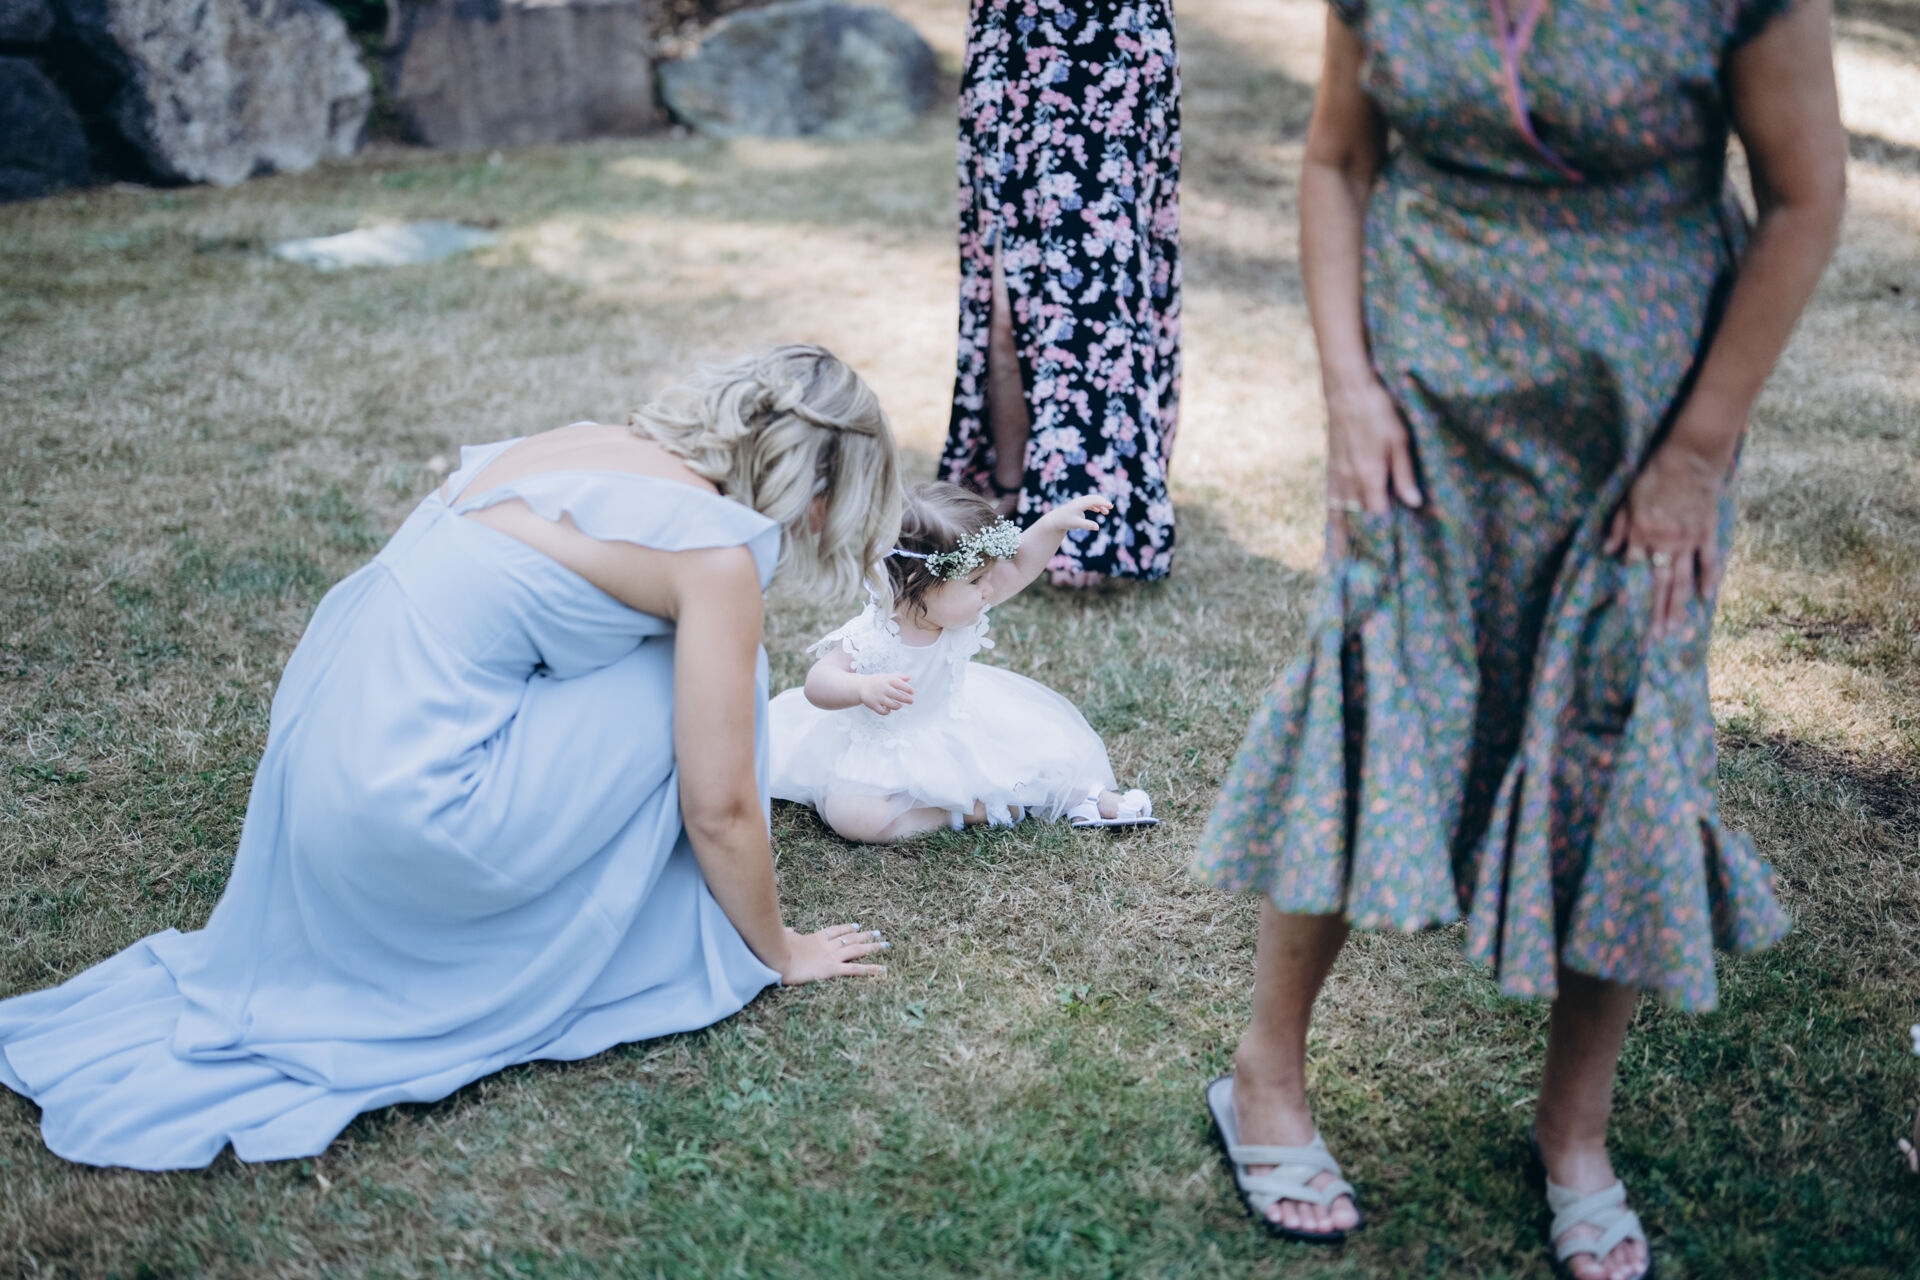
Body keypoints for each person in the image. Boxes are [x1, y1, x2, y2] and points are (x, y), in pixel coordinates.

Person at [1194, 2, 1845, 1278]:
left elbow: (1806, 198)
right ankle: (1263, 1073)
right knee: (1371, 686)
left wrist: (1697, 453)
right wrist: (1348, 389)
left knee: (1620, 724)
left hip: (1641, 414)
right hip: (1422, 387)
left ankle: (1573, 1132)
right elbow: (1337, 157)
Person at [0, 345, 903, 1170]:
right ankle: (634, 929)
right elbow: (722, 809)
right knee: (722, 673)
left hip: (322, 764)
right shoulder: (715, 555)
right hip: (414, 812)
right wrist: (779, 950)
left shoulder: (588, 445)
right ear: (820, 485)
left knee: (696, 664)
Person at [940, 0, 1182, 587]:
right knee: (1001, 301)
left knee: (1099, 295)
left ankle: (1091, 513)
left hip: (1111, 46)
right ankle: (1011, 495)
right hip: (1012, 42)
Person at [770, 481, 1156, 843]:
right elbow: (818, 681)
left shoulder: (951, 607)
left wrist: (1052, 524)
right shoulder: (874, 634)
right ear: (917, 581)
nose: (989, 588)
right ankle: (965, 812)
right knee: (854, 817)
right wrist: (861, 687)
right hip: (878, 746)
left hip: (954, 723)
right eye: (976, 580)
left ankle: (1089, 798)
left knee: (1031, 753)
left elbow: (1020, 566)